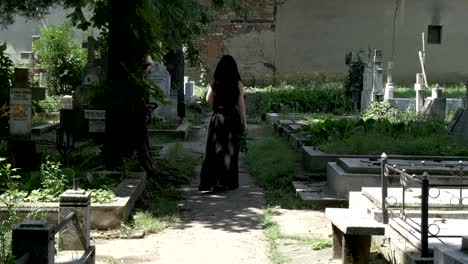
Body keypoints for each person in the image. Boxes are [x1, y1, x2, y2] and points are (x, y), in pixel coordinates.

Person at [199, 55, 247, 192]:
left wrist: (218, 104)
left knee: (214, 150)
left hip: (218, 118)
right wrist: (244, 121)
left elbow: (208, 100)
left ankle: (214, 182)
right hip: (232, 118)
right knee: (230, 151)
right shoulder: (237, 83)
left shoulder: (215, 82)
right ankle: (227, 182)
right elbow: (241, 104)